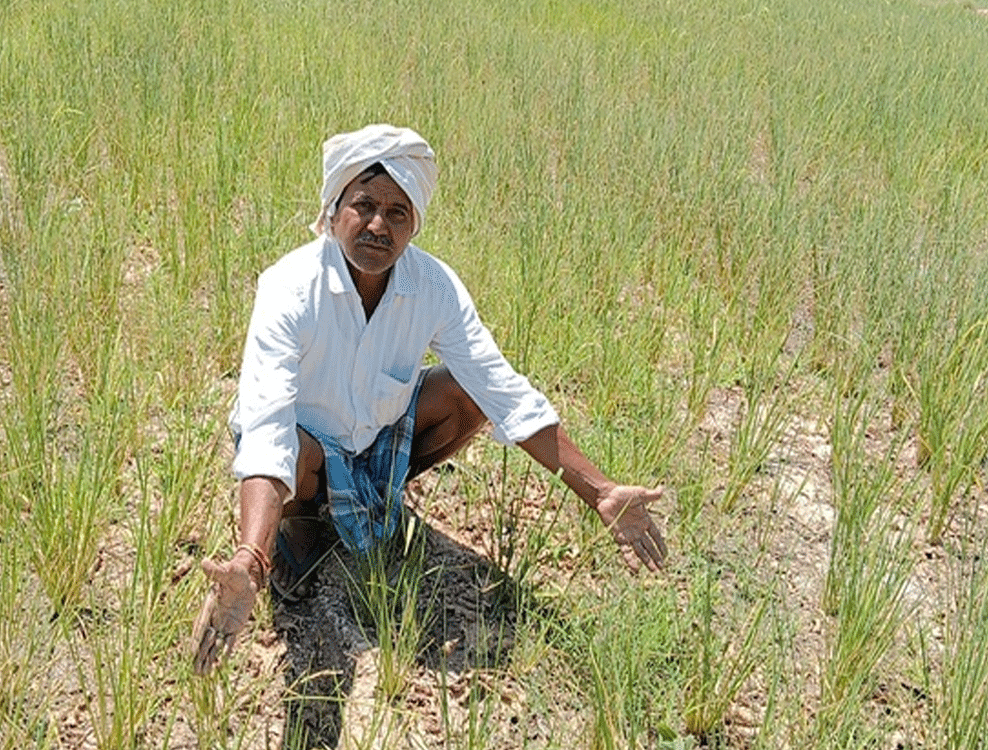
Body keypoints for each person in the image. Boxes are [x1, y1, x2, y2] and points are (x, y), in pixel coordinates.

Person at [192, 124, 666, 675]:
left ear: (415, 222)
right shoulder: (291, 287)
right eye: (363, 205)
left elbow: (504, 390)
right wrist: (250, 560)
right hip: (305, 460)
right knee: (285, 443)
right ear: (333, 207)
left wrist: (600, 491)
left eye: (398, 212)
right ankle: (300, 529)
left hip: (375, 441)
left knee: (469, 391)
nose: (377, 225)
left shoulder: (433, 287)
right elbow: (269, 424)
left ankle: (371, 497)